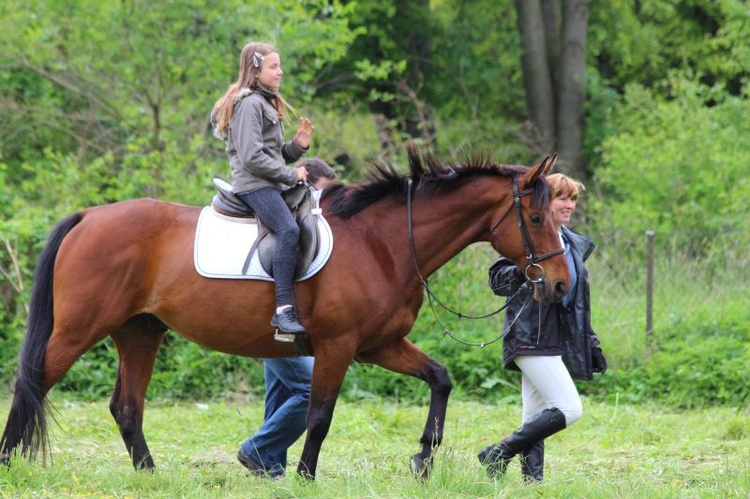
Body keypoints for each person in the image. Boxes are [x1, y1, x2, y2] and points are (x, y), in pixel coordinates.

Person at [479, 173, 607, 483]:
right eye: (562, 198)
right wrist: (528, 271)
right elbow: (498, 280)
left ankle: (532, 483)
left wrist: (590, 342)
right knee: (568, 408)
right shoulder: (528, 240)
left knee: (535, 416)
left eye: (573, 199)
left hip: (557, 339)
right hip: (529, 338)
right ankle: (497, 453)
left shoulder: (572, 243)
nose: (569, 205)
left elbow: (577, 302)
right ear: (542, 204)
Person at [236, 161, 335, 479]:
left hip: (277, 326)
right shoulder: (290, 225)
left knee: (281, 389)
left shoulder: (306, 226)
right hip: (272, 319)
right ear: (308, 184)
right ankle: (258, 450)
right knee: (308, 389)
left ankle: (269, 464)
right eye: (323, 191)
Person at [211, 41, 313, 337]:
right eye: (273, 67)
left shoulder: (265, 102)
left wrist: (297, 147)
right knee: (288, 230)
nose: (280, 72)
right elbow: (252, 158)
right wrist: (292, 174)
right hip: (255, 186)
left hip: (268, 180)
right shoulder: (249, 104)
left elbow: (272, 153)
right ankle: (283, 311)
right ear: (255, 71)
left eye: (279, 66)